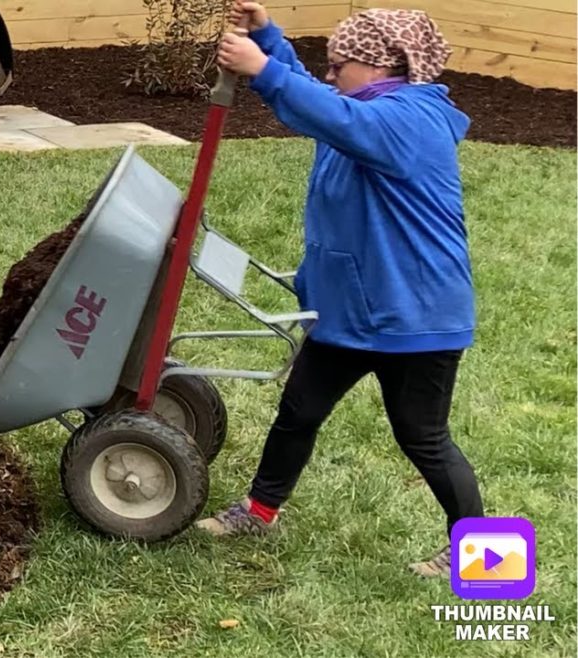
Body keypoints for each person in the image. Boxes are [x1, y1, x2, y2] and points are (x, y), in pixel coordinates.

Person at [195, 2, 484, 578]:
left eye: (339, 65)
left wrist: (262, 69)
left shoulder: (409, 121)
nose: (329, 75)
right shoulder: (364, 108)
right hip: (351, 308)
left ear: (380, 66)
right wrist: (269, 41)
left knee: (423, 437)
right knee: (299, 411)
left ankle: (480, 557)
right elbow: (321, 106)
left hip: (415, 316)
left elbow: (336, 115)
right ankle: (260, 511)